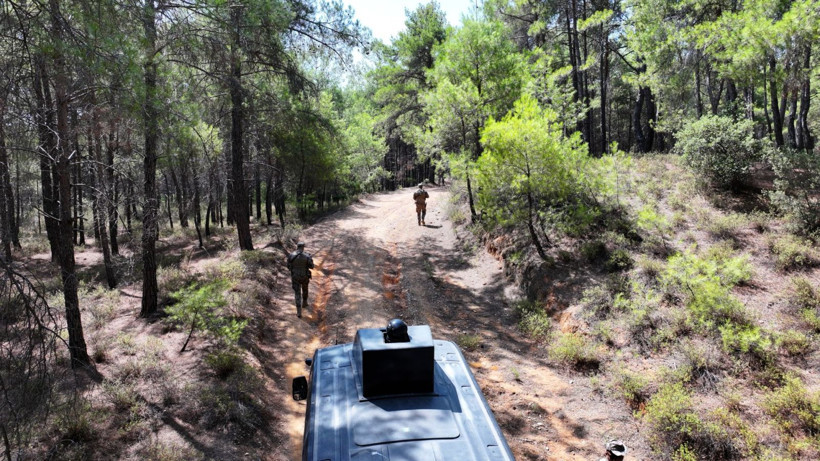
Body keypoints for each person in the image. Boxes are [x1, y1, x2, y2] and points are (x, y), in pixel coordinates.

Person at [287, 242, 314, 318]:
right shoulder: (307, 256)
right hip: (305, 276)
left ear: (297, 247)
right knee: (305, 289)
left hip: (295, 276)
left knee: (297, 293)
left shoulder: (291, 255)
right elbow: (312, 266)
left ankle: (299, 312)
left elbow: (288, 267)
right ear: (303, 247)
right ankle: (304, 302)